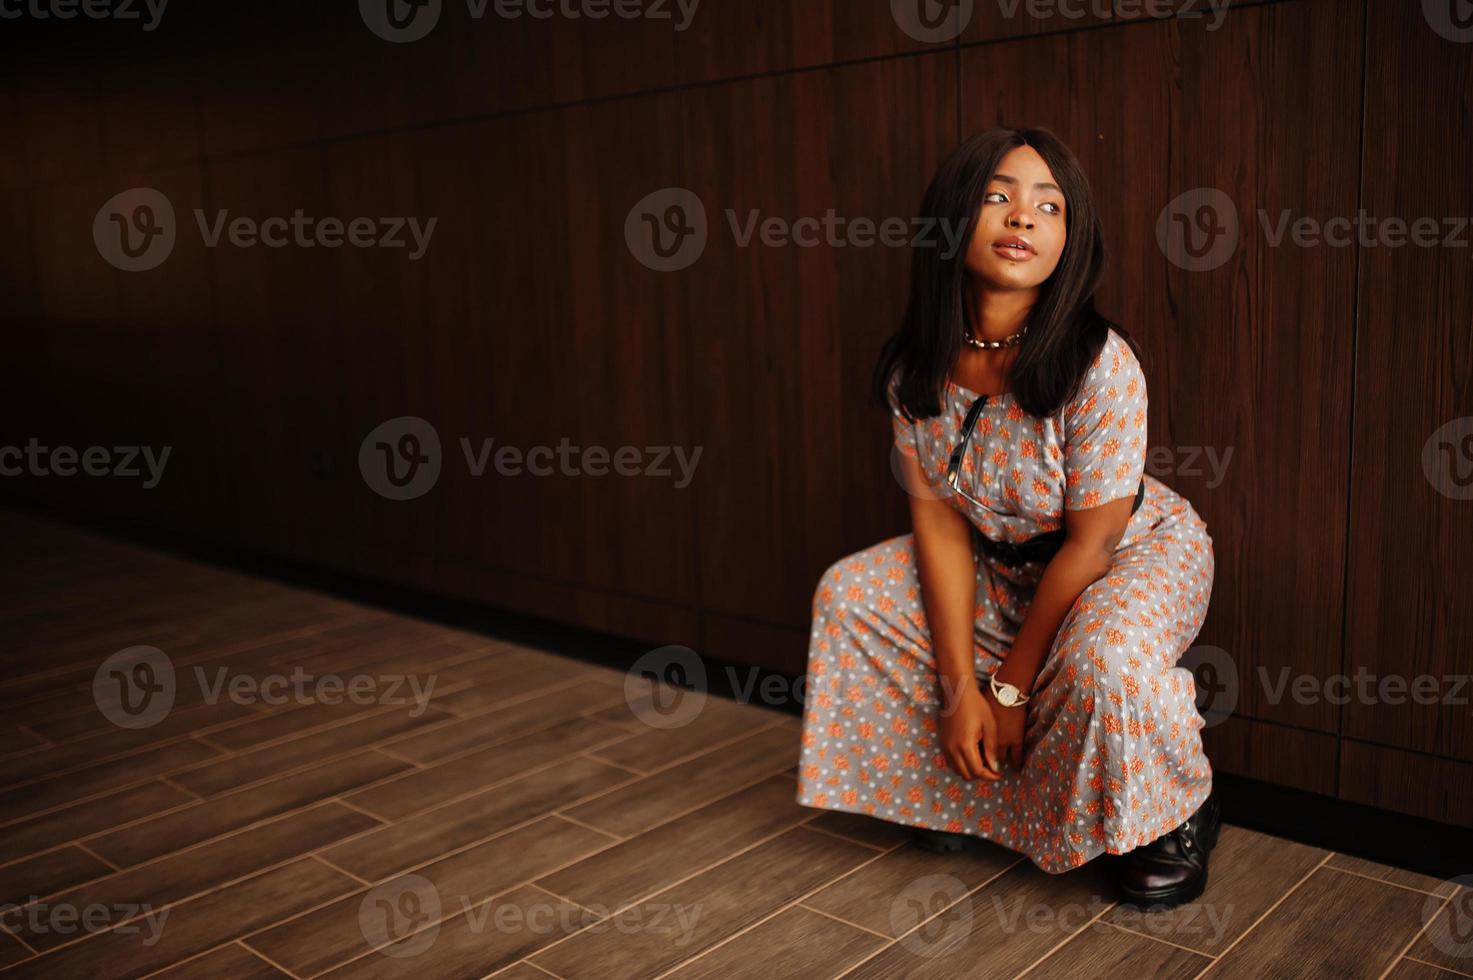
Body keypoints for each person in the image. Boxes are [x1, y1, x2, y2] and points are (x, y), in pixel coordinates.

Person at [796, 127, 1220, 908]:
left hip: (1126, 551)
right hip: (1001, 557)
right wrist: (962, 689)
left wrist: (1010, 689)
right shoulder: (910, 366)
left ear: (1069, 236)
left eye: (1047, 206)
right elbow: (939, 524)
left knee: (1106, 660)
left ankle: (1174, 815)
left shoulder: (1098, 364)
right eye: (997, 197)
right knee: (851, 593)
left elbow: (1092, 541)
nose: (1021, 219)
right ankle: (964, 792)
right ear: (951, 219)